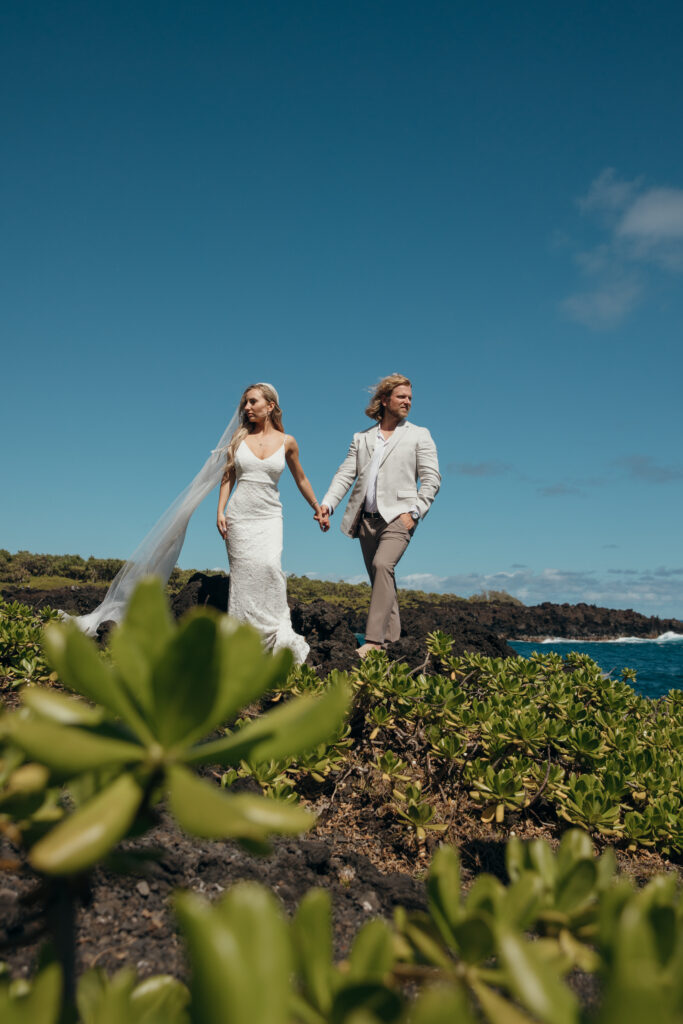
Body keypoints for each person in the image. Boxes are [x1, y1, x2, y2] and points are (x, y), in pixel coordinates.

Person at [316, 374, 440, 657]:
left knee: (383, 565)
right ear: (384, 400)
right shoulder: (361, 439)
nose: (407, 401)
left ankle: (373, 642)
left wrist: (415, 512)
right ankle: (393, 646)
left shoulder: (420, 435)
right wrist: (327, 505)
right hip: (366, 520)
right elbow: (345, 474)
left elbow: (432, 479)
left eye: (410, 397)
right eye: (401, 397)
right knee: (381, 578)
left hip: (400, 516)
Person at [217, 383, 326, 664]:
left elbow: (301, 478)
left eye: (252, 402)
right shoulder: (238, 440)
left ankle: (274, 634)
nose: (246, 408)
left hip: (269, 516)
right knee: (242, 578)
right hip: (240, 516)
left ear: (271, 406)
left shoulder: (288, 441)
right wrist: (221, 511)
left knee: (269, 567)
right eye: (245, 403)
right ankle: (242, 641)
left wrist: (317, 507)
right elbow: (228, 476)